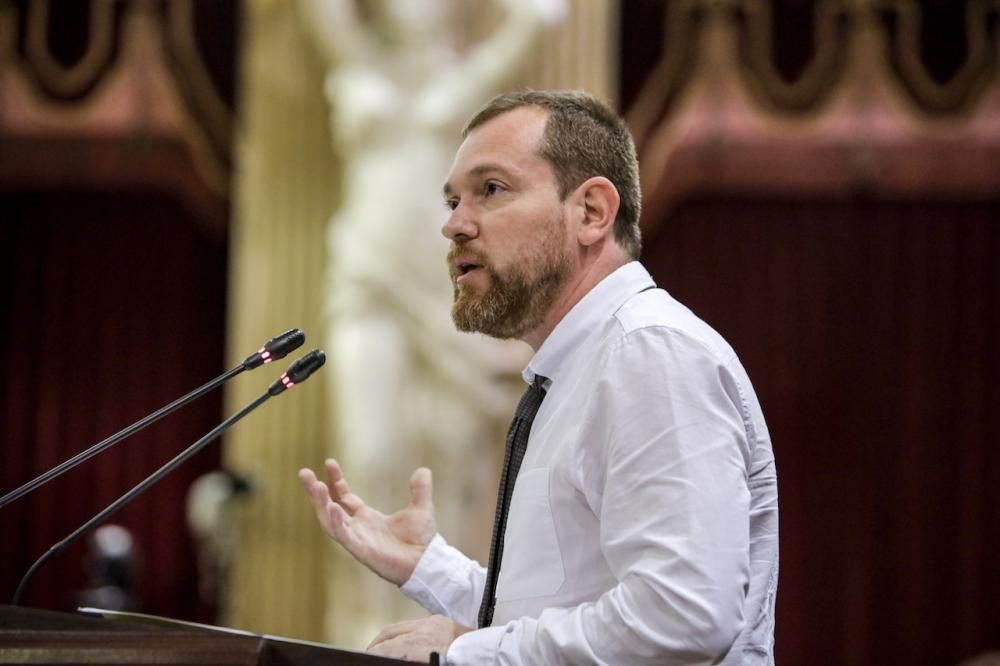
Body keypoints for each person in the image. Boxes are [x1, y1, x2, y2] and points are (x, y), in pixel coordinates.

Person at [299, 90, 779, 665]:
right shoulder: (577, 370)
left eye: (491, 190)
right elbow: (558, 616)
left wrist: (464, 651)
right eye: (452, 199)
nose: (452, 224)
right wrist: (433, 569)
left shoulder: (649, 353)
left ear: (592, 212)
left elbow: (682, 615)